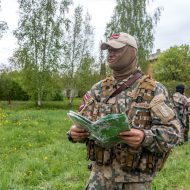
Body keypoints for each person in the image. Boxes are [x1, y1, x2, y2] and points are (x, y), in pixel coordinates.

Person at [67, 32, 181, 190]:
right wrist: (74, 134)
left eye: (116, 49)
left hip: (135, 181)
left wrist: (144, 137)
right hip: (99, 178)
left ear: (131, 52)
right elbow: (84, 122)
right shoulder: (98, 89)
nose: (110, 54)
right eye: (108, 50)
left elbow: (174, 134)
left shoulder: (154, 90)